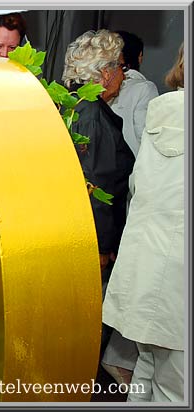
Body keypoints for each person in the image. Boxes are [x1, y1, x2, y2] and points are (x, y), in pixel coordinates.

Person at [102, 44, 185, 402]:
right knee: (176, 388)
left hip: (146, 264)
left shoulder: (161, 108)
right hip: (177, 281)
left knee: (145, 371)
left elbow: (137, 184)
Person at [61, 30, 136, 359]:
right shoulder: (92, 117)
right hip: (90, 242)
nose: (124, 74)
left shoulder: (68, 104)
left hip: (70, 234)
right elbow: (97, 188)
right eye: (121, 66)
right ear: (105, 73)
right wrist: (104, 248)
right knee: (84, 318)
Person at [100, 30, 158, 387]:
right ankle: (115, 356)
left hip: (114, 191)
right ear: (136, 60)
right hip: (129, 191)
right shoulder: (147, 90)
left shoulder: (87, 100)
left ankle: (112, 353)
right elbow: (143, 146)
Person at [109, 31, 159, 156]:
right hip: (131, 166)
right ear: (140, 56)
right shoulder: (145, 89)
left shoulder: (98, 84)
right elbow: (145, 133)